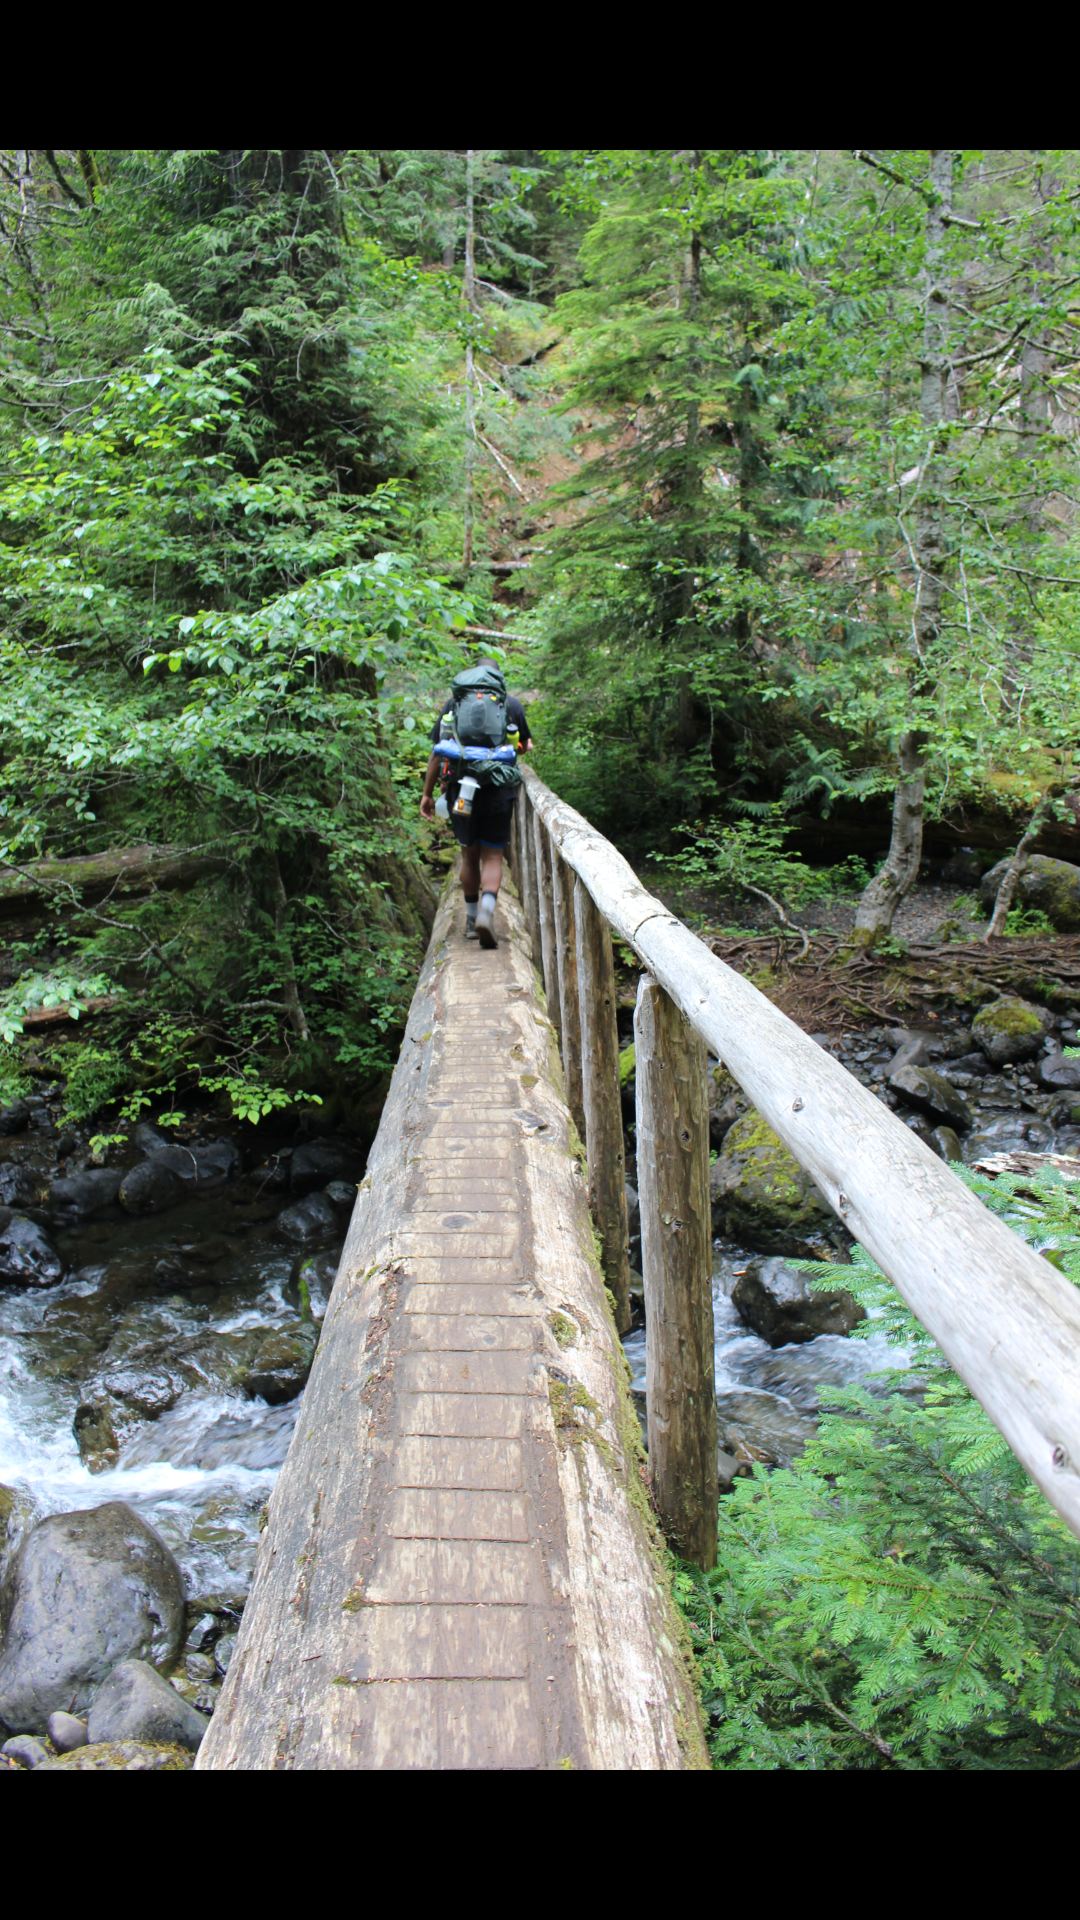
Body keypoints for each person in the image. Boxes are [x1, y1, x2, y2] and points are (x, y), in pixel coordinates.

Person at [419, 663, 533, 949]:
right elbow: (526, 746)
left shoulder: (455, 703)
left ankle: (471, 922)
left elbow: (437, 753)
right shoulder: (512, 704)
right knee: (493, 857)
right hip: (499, 791)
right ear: (498, 677)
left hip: (462, 790)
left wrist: (427, 794)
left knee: (468, 857)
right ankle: (486, 912)